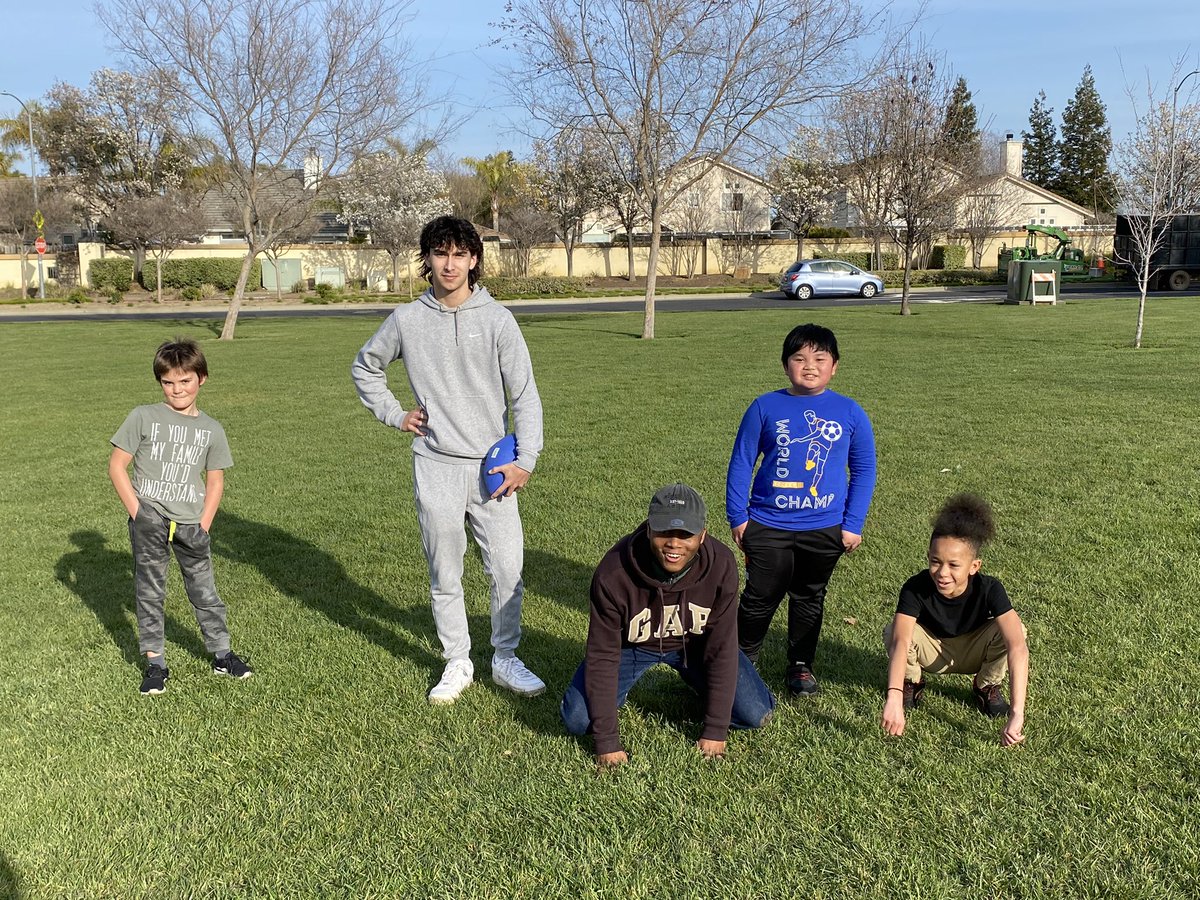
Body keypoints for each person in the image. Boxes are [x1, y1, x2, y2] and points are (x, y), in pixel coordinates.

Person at [351, 215, 545, 705]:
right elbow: (366, 366)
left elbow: (524, 395)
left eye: (460, 254)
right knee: (445, 571)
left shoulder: (497, 319)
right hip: (435, 464)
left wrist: (525, 459)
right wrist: (395, 414)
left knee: (507, 569)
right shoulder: (407, 320)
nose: (450, 264)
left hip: (493, 468)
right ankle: (457, 660)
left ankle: (505, 658)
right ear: (428, 259)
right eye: (441, 253)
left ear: (474, 259)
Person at [561, 484, 775, 767]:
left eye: (686, 534)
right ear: (649, 529)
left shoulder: (722, 565)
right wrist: (607, 742)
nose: (674, 543)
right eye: (664, 531)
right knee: (578, 719)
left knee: (755, 714)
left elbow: (721, 648)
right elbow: (603, 655)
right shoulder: (613, 573)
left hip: (695, 645)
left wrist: (715, 729)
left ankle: (703, 685)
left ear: (702, 535)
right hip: (632, 648)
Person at [726, 323, 877, 695]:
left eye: (820, 358)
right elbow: (742, 461)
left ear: (834, 366)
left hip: (825, 527)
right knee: (760, 597)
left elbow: (864, 469)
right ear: (785, 364)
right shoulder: (764, 406)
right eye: (799, 358)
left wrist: (853, 523)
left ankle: (800, 666)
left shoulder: (849, 412)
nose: (810, 366)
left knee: (809, 597)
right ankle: (740, 662)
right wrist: (738, 516)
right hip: (767, 523)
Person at [109, 338, 253, 695]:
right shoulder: (143, 416)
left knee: (205, 592)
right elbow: (117, 466)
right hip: (150, 519)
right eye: (168, 382)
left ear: (201, 379)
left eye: (185, 380)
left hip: (192, 522)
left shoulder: (212, 429)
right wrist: (139, 513)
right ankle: (155, 664)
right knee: (150, 592)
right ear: (160, 382)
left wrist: (203, 525)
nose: (177, 389)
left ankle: (222, 655)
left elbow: (215, 481)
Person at [881, 494, 1028, 746]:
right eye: (935, 562)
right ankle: (911, 682)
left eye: (954, 565)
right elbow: (901, 641)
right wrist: (893, 697)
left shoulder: (990, 589)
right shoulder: (915, 588)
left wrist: (1017, 713)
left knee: (1017, 631)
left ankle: (986, 686)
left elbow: (1017, 648)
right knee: (894, 630)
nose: (942, 572)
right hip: (933, 652)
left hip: (973, 651)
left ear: (974, 566)